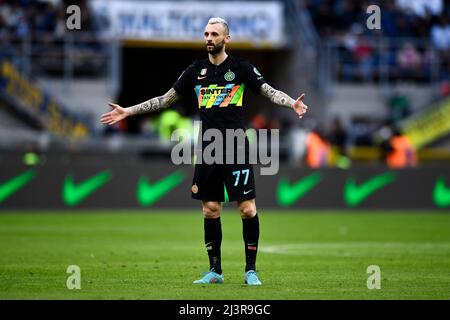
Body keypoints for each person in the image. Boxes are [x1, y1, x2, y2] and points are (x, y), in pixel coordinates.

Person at [100, 17, 308, 285]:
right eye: (206, 33)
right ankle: (215, 271)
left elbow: (267, 91)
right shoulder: (195, 71)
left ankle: (251, 270)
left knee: (246, 209)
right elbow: (165, 100)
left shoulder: (242, 68)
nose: (208, 38)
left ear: (226, 39)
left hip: (235, 145)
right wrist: (128, 110)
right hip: (208, 147)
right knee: (210, 209)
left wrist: (292, 103)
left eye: (214, 34)